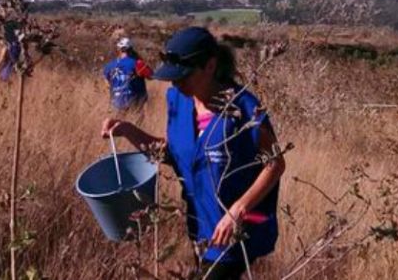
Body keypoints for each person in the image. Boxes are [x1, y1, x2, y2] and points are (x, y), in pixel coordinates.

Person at [101, 27, 285, 279]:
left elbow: (275, 162)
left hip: (235, 230)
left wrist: (238, 210)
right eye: (173, 78)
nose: (176, 83)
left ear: (210, 66)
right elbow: (172, 153)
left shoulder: (244, 108)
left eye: (183, 76)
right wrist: (128, 130)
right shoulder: (177, 100)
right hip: (200, 224)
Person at [103, 37, 153, 120]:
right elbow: (151, 75)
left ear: (118, 49)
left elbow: (107, 84)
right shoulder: (137, 63)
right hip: (135, 103)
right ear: (131, 49)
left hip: (115, 103)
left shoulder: (109, 66)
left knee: (117, 126)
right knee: (136, 126)